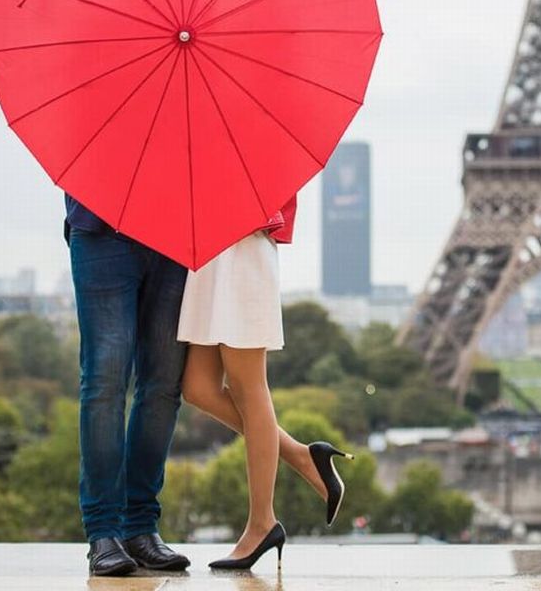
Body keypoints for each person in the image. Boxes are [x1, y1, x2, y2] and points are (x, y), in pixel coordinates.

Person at [177, 194, 355, 571]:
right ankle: (301, 455)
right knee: (198, 386)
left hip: (242, 242)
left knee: (248, 386)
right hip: (207, 248)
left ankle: (262, 522)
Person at [64, 193, 192, 577]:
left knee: (164, 384)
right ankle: (103, 532)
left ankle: (140, 526)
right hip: (101, 225)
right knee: (105, 378)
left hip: (174, 231)